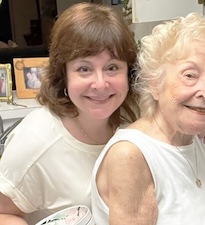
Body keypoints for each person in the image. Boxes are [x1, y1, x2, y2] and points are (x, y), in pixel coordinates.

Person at [91, 12, 205, 225]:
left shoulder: (192, 138)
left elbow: (196, 210)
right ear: (155, 84)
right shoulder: (130, 157)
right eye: (190, 75)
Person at [0, 2, 139, 225]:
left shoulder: (131, 120)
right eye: (84, 69)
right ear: (63, 75)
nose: (100, 84)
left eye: (112, 67)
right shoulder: (35, 144)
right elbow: (3, 214)